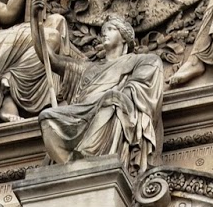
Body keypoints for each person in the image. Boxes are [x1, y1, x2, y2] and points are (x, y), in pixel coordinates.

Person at [38, 13, 165, 174]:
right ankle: (70, 167)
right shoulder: (87, 67)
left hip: (112, 110)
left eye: (110, 29)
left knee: (112, 99)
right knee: (46, 117)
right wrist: (35, 22)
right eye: (103, 31)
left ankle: (86, 156)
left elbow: (141, 89)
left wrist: (116, 97)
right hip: (81, 113)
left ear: (124, 37)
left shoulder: (142, 60)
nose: (104, 33)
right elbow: (50, 59)